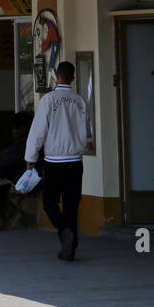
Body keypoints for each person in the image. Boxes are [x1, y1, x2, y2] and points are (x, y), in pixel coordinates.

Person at [25, 60, 90, 261]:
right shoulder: (79, 101)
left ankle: (64, 233)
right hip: (75, 161)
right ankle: (69, 245)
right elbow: (86, 131)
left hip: (54, 161)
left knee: (49, 201)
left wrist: (31, 157)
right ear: (72, 77)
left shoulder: (49, 100)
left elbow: (38, 132)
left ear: (57, 76)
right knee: (72, 204)